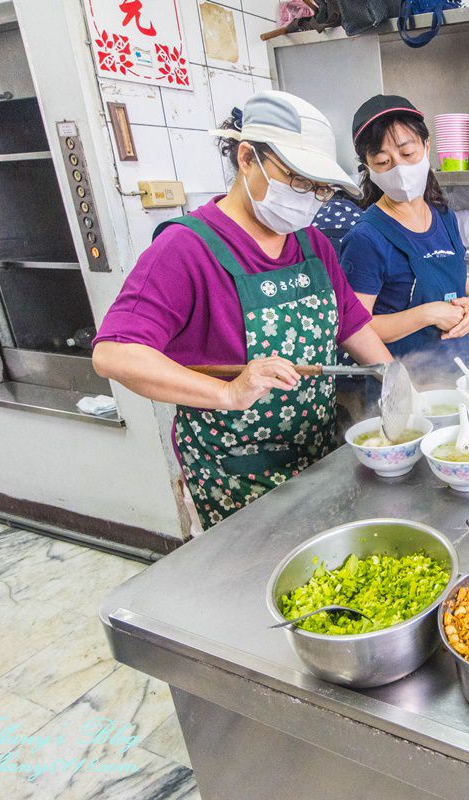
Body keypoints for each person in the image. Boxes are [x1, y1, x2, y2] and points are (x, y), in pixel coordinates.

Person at [92, 91, 391, 529]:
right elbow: (114, 353)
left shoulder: (312, 244)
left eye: (320, 189)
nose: (310, 199)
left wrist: (399, 383)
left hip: (319, 459)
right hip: (236, 477)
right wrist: (227, 394)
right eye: (298, 181)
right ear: (248, 157)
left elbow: (353, 324)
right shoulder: (185, 248)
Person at [338, 95, 469, 378]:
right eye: (382, 161)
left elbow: (458, 286)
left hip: (458, 378)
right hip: (403, 390)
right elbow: (355, 328)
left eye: (407, 155)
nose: (399, 169)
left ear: (427, 147)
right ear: (367, 167)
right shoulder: (366, 238)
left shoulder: (444, 216)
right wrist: (426, 314)